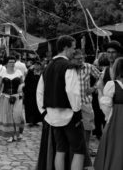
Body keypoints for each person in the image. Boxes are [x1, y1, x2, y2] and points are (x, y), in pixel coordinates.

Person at [36, 35, 86, 170]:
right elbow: (72, 92)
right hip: (69, 115)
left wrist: (44, 113)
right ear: (65, 48)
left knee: (60, 149)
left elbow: (39, 92)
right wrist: (77, 112)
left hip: (52, 116)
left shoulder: (47, 67)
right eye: (73, 48)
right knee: (79, 150)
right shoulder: (68, 67)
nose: (74, 51)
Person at [71, 49, 101, 161]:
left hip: (85, 101)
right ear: (72, 59)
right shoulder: (69, 68)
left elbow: (101, 76)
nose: (80, 61)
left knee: (87, 127)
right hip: (72, 103)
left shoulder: (88, 67)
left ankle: (86, 148)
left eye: (81, 58)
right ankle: (75, 149)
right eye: (77, 59)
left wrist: (94, 88)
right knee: (74, 127)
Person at [94, 57, 123, 169]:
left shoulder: (112, 84)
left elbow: (105, 107)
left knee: (115, 147)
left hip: (117, 121)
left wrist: (100, 90)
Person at [0, 56, 25, 142]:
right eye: (10, 62)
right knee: (8, 116)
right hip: (6, 97)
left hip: (17, 96)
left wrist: (21, 89)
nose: (12, 64)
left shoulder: (19, 72)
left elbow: (22, 83)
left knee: (17, 115)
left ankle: (19, 133)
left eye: (13, 62)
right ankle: (11, 135)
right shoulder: (3, 73)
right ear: (6, 63)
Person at [23, 60, 42, 127]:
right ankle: (30, 121)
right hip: (30, 93)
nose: (37, 67)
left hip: (38, 93)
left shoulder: (41, 73)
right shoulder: (30, 72)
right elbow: (26, 82)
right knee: (30, 107)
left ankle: (35, 121)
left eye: (39, 65)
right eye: (36, 65)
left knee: (36, 107)